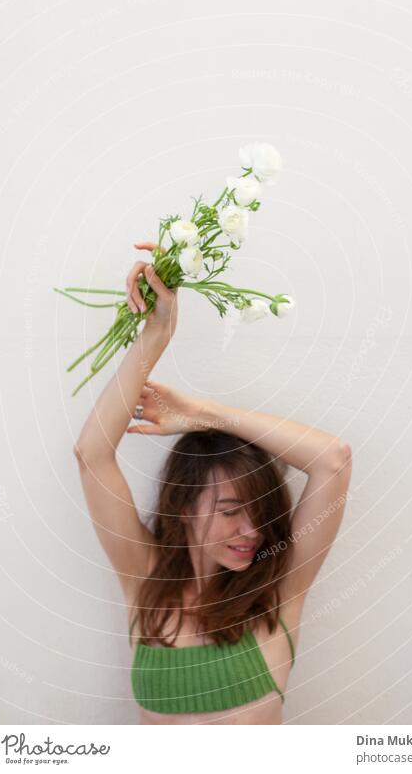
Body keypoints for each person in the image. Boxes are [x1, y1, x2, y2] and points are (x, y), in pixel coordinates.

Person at [73, 241, 353, 725]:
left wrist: (202, 415)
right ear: (184, 507)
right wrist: (156, 335)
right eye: (229, 511)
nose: (252, 532)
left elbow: (333, 459)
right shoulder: (145, 580)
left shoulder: (279, 591)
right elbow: (92, 454)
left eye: (259, 513)